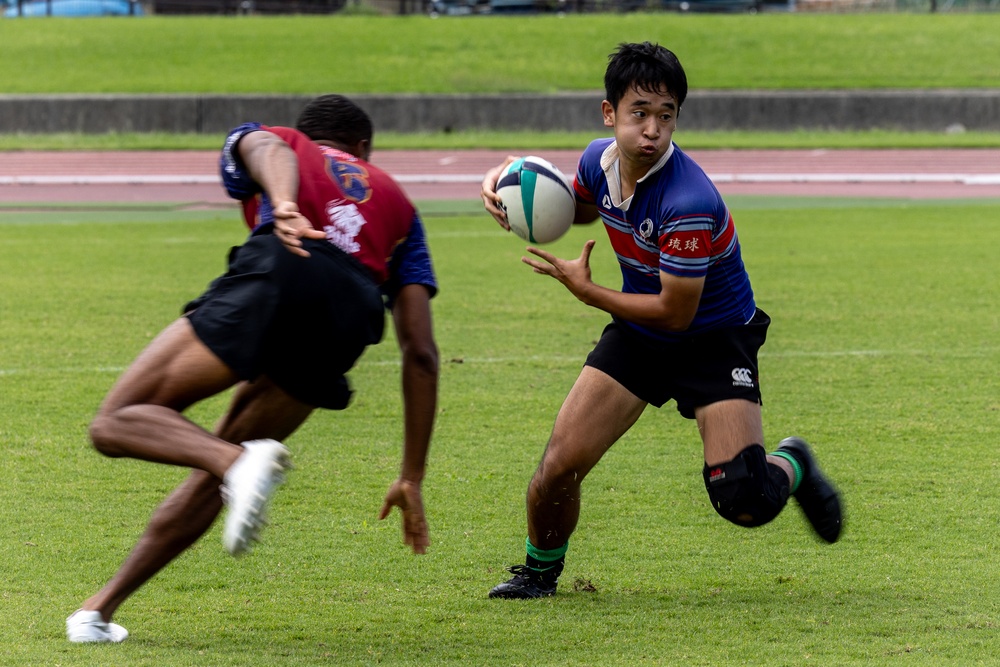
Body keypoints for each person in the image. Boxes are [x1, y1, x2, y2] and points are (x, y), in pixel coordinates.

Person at [66, 94, 440, 642]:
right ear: (364, 149)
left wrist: (284, 204)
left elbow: (265, 145)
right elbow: (422, 352)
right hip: (350, 316)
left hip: (285, 266)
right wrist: (410, 474)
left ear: (309, 135)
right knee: (216, 477)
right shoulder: (401, 207)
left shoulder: (285, 139)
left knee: (115, 422)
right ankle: (97, 611)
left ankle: (234, 461)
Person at [480, 42, 843, 600]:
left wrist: (590, 291)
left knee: (744, 503)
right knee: (558, 466)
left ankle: (791, 462)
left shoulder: (687, 199)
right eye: (639, 113)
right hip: (641, 332)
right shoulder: (597, 161)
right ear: (610, 114)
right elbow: (576, 205)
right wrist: (508, 185)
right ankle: (538, 573)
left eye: (665, 116)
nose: (651, 130)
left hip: (713, 338)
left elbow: (677, 313)